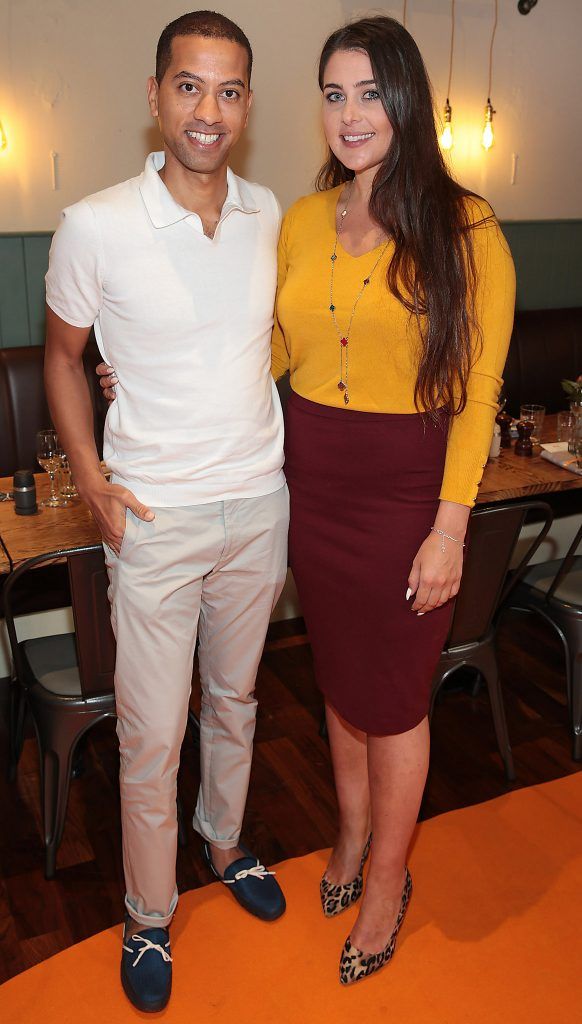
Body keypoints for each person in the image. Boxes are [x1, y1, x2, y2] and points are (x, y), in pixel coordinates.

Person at [44, 11, 288, 1013]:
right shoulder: (95, 222)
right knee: (153, 730)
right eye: (190, 87)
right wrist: (96, 483)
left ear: (246, 104)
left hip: (258, 505)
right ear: (154, 97)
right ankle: (150, 913)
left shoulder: (271, 211)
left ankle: (224, 842)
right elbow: (63, 356)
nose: (209, 111)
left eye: (229, 91)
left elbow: (265, 341)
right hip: (152, 514)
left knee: (237, 703)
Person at [272, 16, 515, 985]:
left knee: (395, 700)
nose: (350, 112)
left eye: (370, 91)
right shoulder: (299, 219)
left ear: (406, 99)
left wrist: (449, 527)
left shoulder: (470, 228)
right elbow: (274, 355)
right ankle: (349, 836)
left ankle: (386, 881)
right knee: (339, 683)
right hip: (311, 486)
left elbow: (480, 389)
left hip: (408, 496)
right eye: (334, 93)